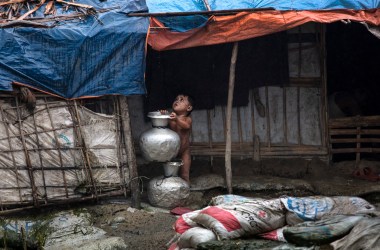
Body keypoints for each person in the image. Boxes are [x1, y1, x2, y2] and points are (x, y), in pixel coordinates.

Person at [160, 94, 194, 184]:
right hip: (172, 150)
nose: (177, 101)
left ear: (189, 108)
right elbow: (162, 123)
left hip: (184, 151)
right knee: (170, 174)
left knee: (185, 174)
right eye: (176, 99)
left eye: (181, 100)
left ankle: (186, 188)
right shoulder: (171, 117)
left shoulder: (187, 119)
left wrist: (177, 119)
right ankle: (172, 188)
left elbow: (186, 126)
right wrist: (163, 114)